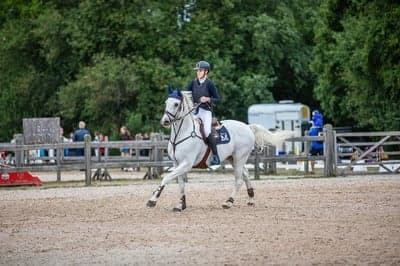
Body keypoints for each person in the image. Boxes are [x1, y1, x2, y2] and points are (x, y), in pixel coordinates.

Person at [186, 60, 221, 166]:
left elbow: (218, 99)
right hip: (195, 111)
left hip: (206, 112)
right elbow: (187, 94)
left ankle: (215, 156)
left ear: (206, 72)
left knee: (206, 131)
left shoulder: (209, 84)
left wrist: (208, 99)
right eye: (197, 70)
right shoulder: (192, 83)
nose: (198, 72)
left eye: (200, 70)